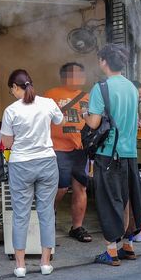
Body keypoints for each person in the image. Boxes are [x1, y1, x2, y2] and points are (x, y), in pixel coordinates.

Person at [82, 44, 141, 267]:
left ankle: (111, 252)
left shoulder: (101, 88)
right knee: (127, 198)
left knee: (109, 200)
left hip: (108, 153)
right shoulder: (132, 88)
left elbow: (95, 122)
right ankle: (128, 246)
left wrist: (84, 114)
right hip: (130, 153)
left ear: (103, 62)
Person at [1, 69, 63, 278]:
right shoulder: (48, 103)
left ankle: (20, 265)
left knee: (21, 214)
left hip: (21, 165)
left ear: (15, 88)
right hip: (47, 162)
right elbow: (59, 121)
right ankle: (45, 262)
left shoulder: (11, 110)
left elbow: (7, 142)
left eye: (12, 89)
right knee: (46, 213)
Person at [44, 62, 92, 243]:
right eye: (74, 75)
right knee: (60, 187)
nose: (78, 78)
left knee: (80, 187)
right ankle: (50, 217)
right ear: (64, 77)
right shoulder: (51, 95)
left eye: (81, 74)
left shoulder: (87, 97)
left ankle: (77, 227)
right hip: (58, 149)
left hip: (80, 150)